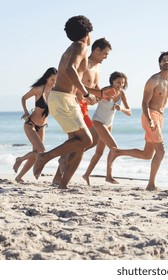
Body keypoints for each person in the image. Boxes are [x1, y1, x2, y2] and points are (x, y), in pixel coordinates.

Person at [33, 15, 109, 189]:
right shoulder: (81, 46)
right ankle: (44, 157)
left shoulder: (73, 47)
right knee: (87, 140)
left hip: (64, 99)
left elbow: (72, 75)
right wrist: (84, 92)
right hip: (63, 99)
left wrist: (93, 94)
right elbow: (70, 70)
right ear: (88, 32)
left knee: (79, 144)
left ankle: (63, 185)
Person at [108, 51, 168, 191]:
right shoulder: (153, 80)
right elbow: (144, 102)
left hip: (160, 117)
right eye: (164, 60)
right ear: (160, 63)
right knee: (161, 151)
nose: (167, 62)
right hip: (150, 115)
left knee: (147, 154)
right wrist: (149, 119)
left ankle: (117, 152)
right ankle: (151, 184)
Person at [51, 37, 112, 186]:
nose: (105, 57)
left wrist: (102, 95)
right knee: (87, 140)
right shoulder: (85, 64)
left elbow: (96, 87)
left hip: (84, 106)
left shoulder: (97, 68)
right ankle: (62, 162)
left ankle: (59, 174)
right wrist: (87, 95)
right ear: (96, 50)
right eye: (105, 54)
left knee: (85, 142)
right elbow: (75, 84)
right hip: (75, 104)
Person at [82, 71, 132, 186]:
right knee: (114, 148)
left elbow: (129, 112)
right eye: (118, 82)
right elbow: (95, 99)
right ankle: (109, 176)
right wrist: (94, 99)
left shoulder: (122, 94)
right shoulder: (107, 90)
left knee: (99, 152)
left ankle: (86, 175)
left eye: (123, 83)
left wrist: (121, 109)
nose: (121, 84)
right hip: (98, 121)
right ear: (112, 81)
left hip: (108, 124)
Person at [13, 67, 58, 182]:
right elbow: (23, 98)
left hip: (42, 126)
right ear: (47, 78)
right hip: (31, 124)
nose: (54, 82)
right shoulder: (38, 89)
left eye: (56, 80)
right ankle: (20, 159)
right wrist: (26, 112)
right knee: (41, 151)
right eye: (52, 80)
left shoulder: (54, 91)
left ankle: (19, 177)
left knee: (36, 154)